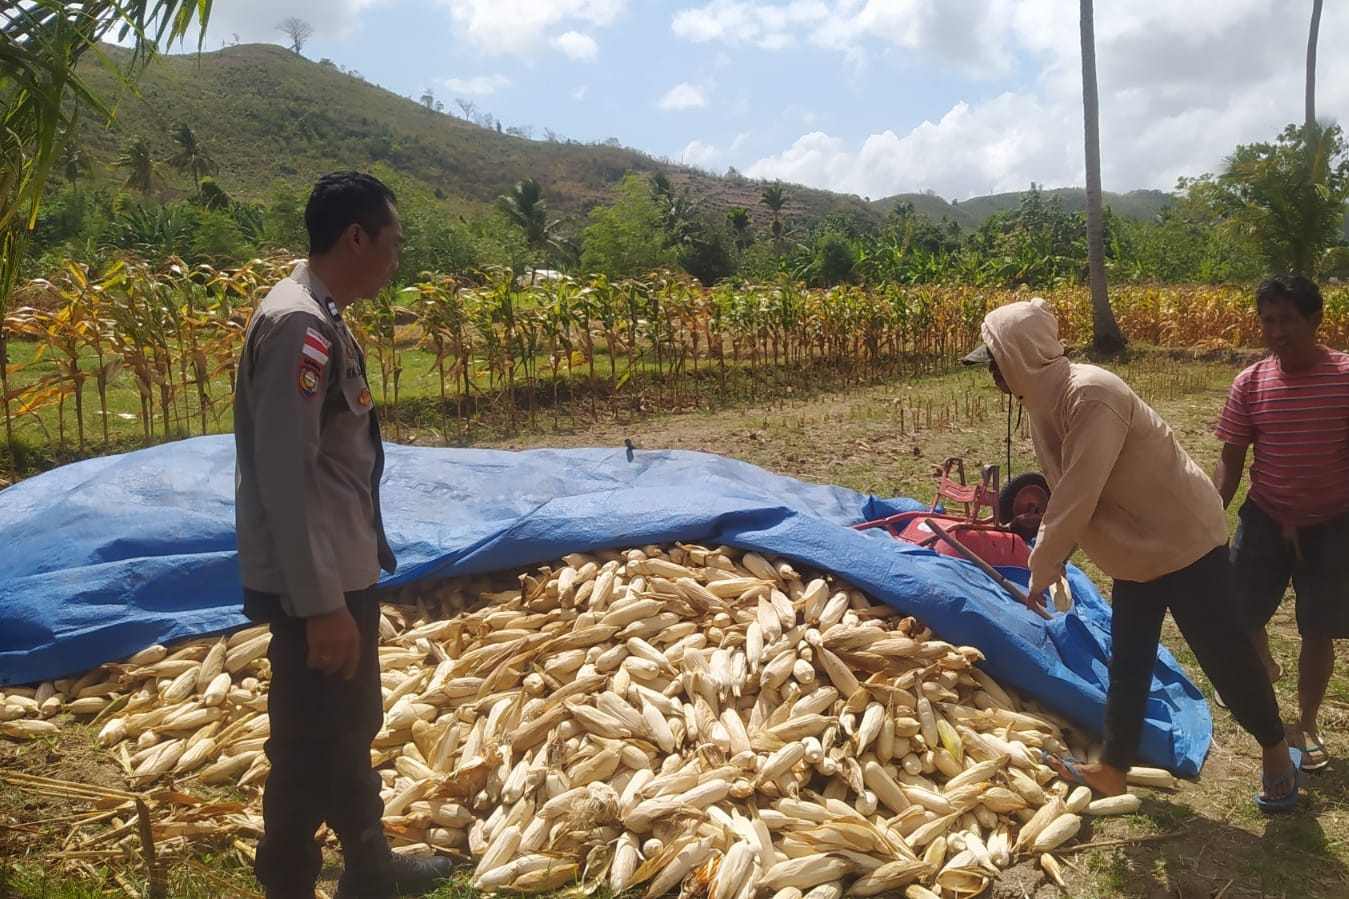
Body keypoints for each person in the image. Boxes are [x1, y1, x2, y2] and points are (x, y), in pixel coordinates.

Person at [961, 298, 1303, 812]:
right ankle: (1113, 768)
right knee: (1128, 657)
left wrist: (1043, 563)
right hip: (1134, 549)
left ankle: (1276, 750)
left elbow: (1078, 491)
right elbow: (1064, 490)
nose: (992, 373)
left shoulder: (1091, 394)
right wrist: (1052, 554)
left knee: (1224, 654)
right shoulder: (1041, 405)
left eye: (995, 361)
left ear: (1023, 355)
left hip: (1183, 537)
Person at [234, 171, 452, 899]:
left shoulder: (320, 313)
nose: (396, 259)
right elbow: (286, 478)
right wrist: (323, 604)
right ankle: (292, 880)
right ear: (356, 237)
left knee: (345, 725)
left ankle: (367, 866)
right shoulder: (298, 325)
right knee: (309, 739)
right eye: (392, 242)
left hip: (337, 568)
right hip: (317, 582)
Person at [1213, 274, 1348, 773]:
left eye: (1287, 320)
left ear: (1315, 320)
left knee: (1318, 629)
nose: (1276, 332)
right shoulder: (1251, 383)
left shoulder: (1344, 378)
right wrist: (1211, 514)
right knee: (1239, 617)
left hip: (1331, 524)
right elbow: (1231, 458)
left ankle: (1306, 723)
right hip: (1266, 517)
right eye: (1267, 321)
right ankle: (1265, 674)